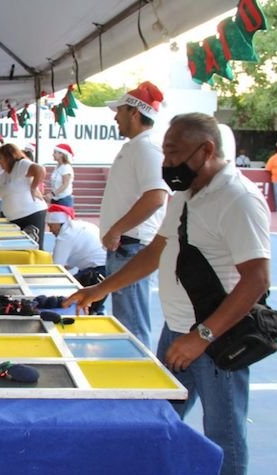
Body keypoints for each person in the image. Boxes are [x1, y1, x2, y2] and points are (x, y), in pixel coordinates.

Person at [65, 113, 270, 475]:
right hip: (178, 332)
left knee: (224, 431)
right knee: (158, 414)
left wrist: (202, 336)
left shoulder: (239, 199)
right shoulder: (186, 194)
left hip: (216, 339)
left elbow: (257, 280)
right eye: (165, 152)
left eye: (174, 152)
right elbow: (156, 251)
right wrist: (99, 290)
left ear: (206, 151)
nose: (166, 163)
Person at [100, 81, 170, 348]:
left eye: (119, 110)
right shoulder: (137, 146)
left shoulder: (146, 147)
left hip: (130, 247)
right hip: (125, 247)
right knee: (125, 322)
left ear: (133, 112)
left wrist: (116, 229)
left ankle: (137, 382)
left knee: (131, 327)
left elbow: (156, 196)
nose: (115, 116)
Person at [0, 143, 48, 249]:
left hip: (31, 214)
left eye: (0, 158)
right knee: (19, 249)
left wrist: (33, 187)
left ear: (9, 157)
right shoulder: (5, 174)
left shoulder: (21, 164)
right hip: (14, 218)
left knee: (34, 249)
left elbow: (40, 170)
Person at [46, 204, 106, 314]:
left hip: (95, 272)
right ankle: (98, 311)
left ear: (58, 224)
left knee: (76, 301)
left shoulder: (65, 237)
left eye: (51, 226)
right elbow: (82, 250)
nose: (50, 231)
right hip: (101, 268)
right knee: (94, 303)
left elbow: (55, 268)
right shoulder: (79, 226)